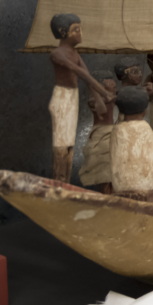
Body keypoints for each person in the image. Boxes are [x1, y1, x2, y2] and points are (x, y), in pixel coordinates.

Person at [48, 13, 115, 183]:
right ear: (63, 32)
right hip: (62, 98)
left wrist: (98, 98)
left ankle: (65, 183)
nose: (80, 33)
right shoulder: (57, 53)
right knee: (62, 145)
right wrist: (104, 93)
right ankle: (59, 183)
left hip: (72, 98)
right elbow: (81, 73)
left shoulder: (75, 53)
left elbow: (86, 76)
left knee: (69, 144)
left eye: (80, 29)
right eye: (75, 29)